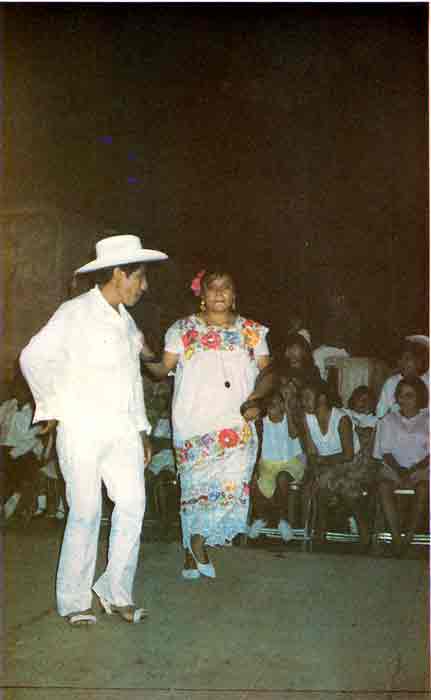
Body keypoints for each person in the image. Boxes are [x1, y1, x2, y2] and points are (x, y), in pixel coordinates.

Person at [20, 234, 167, 625]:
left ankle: (115, 591)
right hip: (82, 428)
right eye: (140, 277)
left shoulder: (127, 321)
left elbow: (134, 380)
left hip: (122, 430)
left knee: (133, 505)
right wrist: (54, 407)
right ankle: (74, 600)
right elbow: (32, 357)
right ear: (119, 273)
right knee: (85, 511)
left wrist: (141, 430)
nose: (144, 286)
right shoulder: (75, 312)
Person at [144, 267, 273, 579]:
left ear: (234, 294)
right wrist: (141, 349)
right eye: (212, 287)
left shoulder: (252, 331)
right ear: (201, 295)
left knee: (232, 484)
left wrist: (256, 399)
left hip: (236, 421)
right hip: (193, 421)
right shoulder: (183, 329)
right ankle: (192, 554)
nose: (218, 293)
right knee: (194, 490)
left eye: (225, 287)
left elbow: (269, 372)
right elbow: (162, 370)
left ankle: (198, 541)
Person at [300, 380, 374, 548]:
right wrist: (316, 469)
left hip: (354, 465)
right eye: (302, 398)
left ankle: (354, 529)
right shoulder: (307, 418)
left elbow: (348, 455)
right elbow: (311, 452)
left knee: (340, 485)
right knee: (322, 483)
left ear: (322, 399)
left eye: (307, 398)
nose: (303, 402)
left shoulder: (342, 419)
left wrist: (323, 464)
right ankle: (322, 530)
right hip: (328, 465)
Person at [373, 376, 429, 556]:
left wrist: (413, 470)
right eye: (401, 395)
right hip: (394, 468)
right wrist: (400, 471)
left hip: (421, 469)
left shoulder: (427, 419)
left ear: (419, 398)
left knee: (424, 489)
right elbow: (385, 452)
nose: (404, 400)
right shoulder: (389, 419)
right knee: (383, 486)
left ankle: (409, 537)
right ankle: (396, 538)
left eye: (410, 396)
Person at [248, 381, 306, 542]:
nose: (274, 406)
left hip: (291, 463)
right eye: (271, 403)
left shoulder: (290, 418)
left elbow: (294, 435)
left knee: (282, 477)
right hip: (267, 464)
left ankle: (282, 520)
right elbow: (255, 447)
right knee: (251, 481)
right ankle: (262, 518)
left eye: (278, 402)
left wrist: (287, 408)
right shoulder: (260, 422)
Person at [376, 337, 429, 418]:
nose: (401, 362)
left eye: (407, 359)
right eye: (399, 359)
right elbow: (380, 414)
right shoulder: (391, 382)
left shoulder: (428, 381)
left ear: (419, 361)